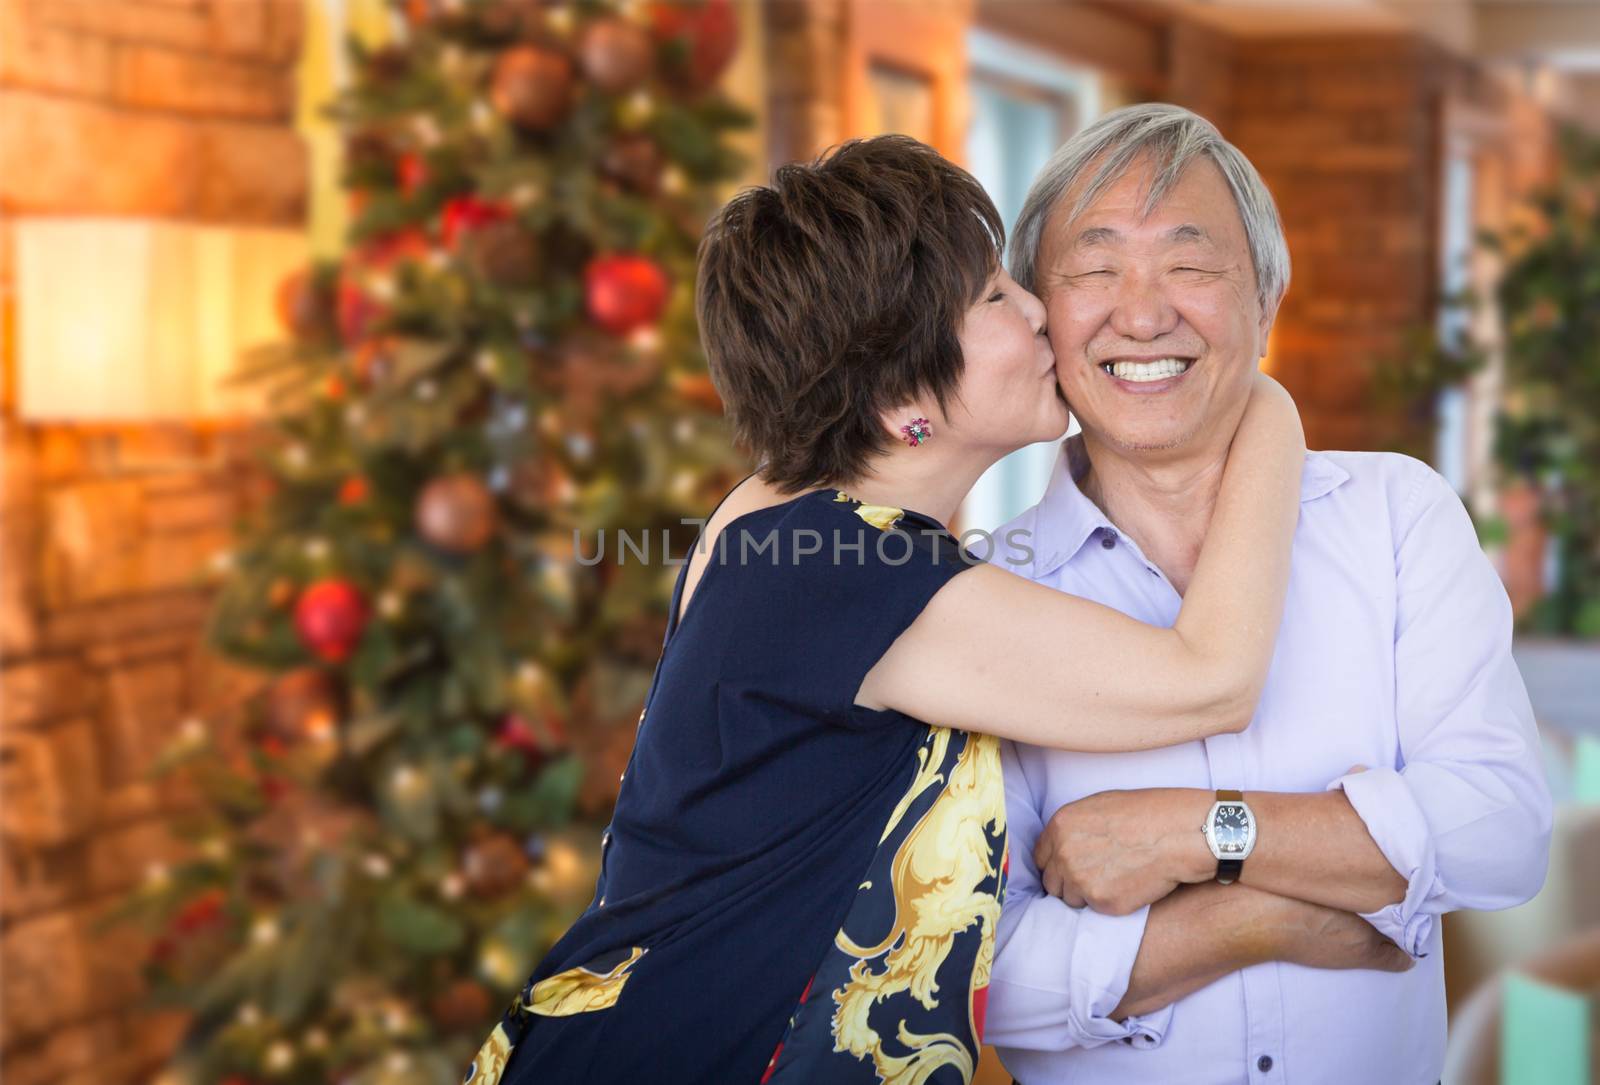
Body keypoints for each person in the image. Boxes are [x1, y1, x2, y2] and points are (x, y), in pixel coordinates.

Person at [463, 133, 1314, 1085]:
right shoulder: (852, 575)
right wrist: (1264, 403)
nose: (1041, 311)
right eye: (995, 297)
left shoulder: (777, 517)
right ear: (903, 385)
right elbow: (1212, 679)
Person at [984, 103, 1553, 1085]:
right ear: (1041, 319)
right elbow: (983, 971)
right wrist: (1258, 914)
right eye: (1093, 267)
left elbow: (1498, 828)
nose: (1143, 310)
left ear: (1266, 300)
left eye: (1189, 262)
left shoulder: (1395, 516)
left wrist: (1196, 829)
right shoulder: (989, 595)